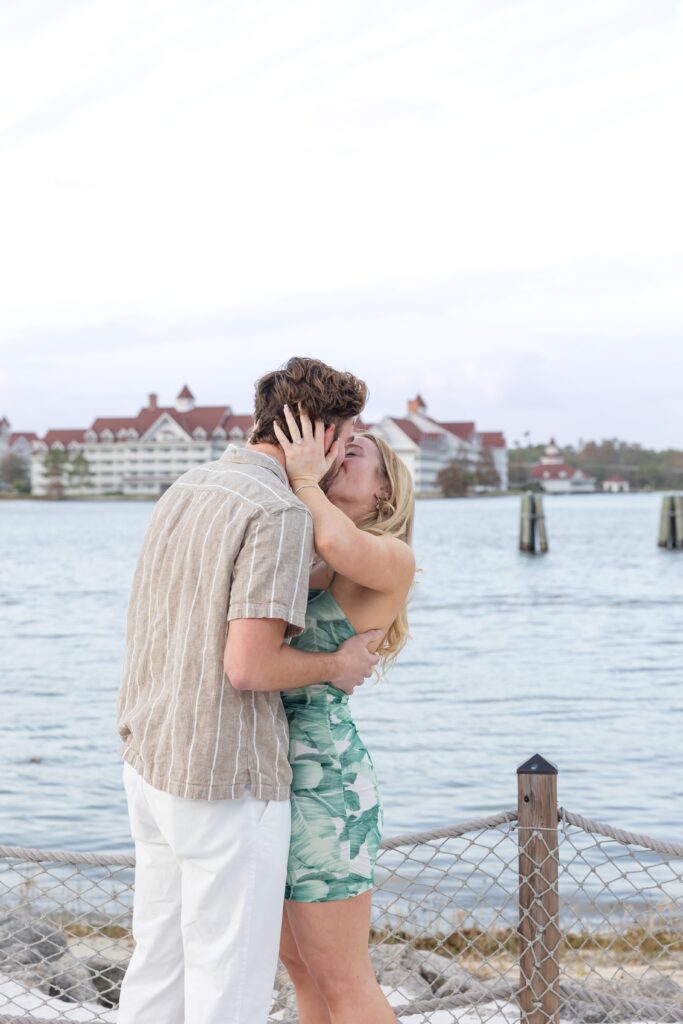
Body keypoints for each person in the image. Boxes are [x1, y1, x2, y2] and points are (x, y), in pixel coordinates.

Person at [116, 357, 383, 1024]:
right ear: (318, 435)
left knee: (158, 963)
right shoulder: (276, 512)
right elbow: (249, 667)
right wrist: (333, 666)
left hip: (149, 757)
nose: (343, 451)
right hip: (222, 772)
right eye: (345, 437)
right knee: (227, 985)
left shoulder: (188, 484)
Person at [271, 404, 416, 1024]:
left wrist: (305, 478)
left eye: (356, 453)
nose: (339, 455)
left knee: (344, 981)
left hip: (326, 781)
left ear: (384, 490)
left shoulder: (392, 557)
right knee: (301, 972)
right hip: (265, 769)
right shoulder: (301, 549)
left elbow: (335, 537)